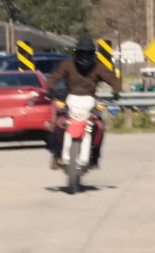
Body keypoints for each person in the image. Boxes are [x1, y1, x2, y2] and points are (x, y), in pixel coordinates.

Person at [46, 35, 121, 169]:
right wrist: (51, 89)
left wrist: (116, 91)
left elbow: (113, 79)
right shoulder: (67, 64)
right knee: (57, 124)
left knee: (100, 127)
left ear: (93, 54)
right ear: (76, 53)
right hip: (69, 100)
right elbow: (54, 77)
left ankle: (95, 156)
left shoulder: (99, 67)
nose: (84, 57)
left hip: (90, 102)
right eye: (82, 53)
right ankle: (56, 153)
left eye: (88, 53)